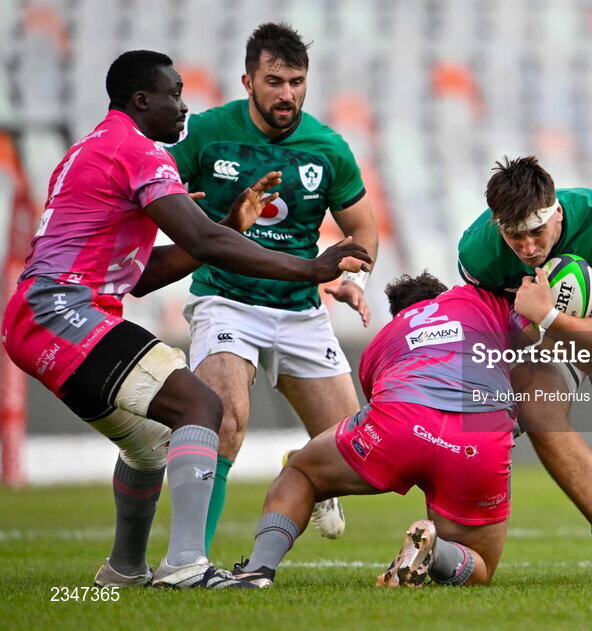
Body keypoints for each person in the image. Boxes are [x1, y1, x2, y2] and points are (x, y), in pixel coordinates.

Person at [0, 50, 371, 589]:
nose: (183, 106)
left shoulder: (94, 147)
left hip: (40, 318)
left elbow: (141, 275)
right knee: (201, 405)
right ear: (141, 100)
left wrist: (224, 227)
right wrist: (310, 267)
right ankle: (186, 566)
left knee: (152, 440)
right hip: (62, 312)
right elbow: (202, 240)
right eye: (173, 94)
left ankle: (125, 569)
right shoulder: (138, 150)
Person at [166, 23, 379, 553]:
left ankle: (304, 467)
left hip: (299, 308)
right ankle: (190, 559)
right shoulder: (207, 133)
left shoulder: (327, 148)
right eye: (275, 81)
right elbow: (154, 194)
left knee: (360, 451)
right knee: (224, 419)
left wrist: (352, 279)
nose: (287, 94)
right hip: (225, 297)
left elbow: (364, 230)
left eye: (297, 82)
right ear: (247, 80)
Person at [230, 272, 527, 588]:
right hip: (477, 438)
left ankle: (257, 570)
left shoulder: (383, 339)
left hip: (401, 421)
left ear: (399, 312)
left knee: (301, 472)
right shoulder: (474, 303)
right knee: (479, 564)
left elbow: (379, 403)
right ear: (443, 295)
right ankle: (436, 551)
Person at [457, 156, 592, 583]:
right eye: (515, 237)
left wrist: (553, 317)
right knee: (537, 410)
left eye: (536, 232)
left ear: (556, 213)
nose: (529, 248)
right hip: (539, 329)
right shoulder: (478, 253)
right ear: (499, 227)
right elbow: (514, 341)